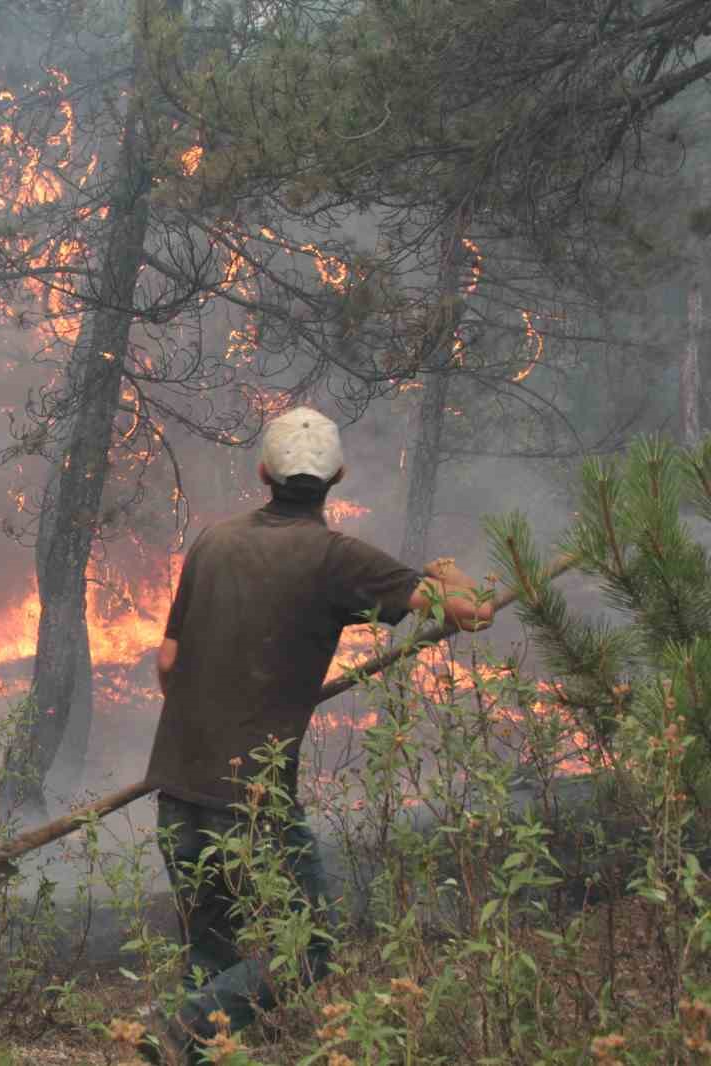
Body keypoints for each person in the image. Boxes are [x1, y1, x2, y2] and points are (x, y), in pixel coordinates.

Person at [138, 407, 494, 1065]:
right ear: (338, 477)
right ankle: (186, 1025)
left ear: (263, 472)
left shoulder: (212, 543)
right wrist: (448, 571)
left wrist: (204, 719)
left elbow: (168, 661)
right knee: (311, 947)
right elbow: (471, 611)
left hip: (177, 789)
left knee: (211, 951)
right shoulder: (336, 558)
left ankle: (186, 1039)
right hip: (253, 799)